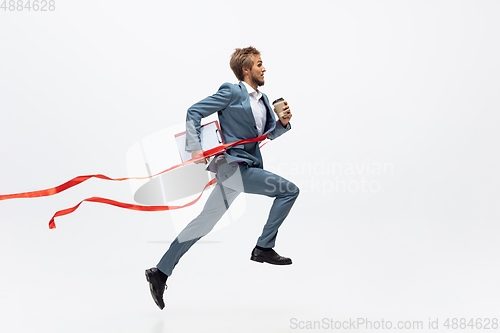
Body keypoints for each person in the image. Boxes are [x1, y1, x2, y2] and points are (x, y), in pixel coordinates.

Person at [145, 46, 300, 310]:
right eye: (259, 64)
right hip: (234, 168)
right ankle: (263, 247)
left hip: (244, 167)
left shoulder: (263, 100)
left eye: (263, 64)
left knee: (202, 224)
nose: (264, 68)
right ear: (246, 69)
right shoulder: (231, 91)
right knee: (288, 191)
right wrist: (195, 147)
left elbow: (264, 136)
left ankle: (160, 272)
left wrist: (282, 123)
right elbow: (194, 111)